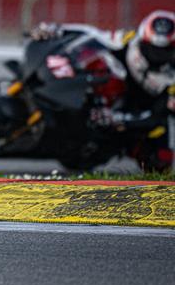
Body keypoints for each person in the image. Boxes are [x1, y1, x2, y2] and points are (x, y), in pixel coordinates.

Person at [30, 10, 175, 171]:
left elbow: (157, 116)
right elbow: (94, 35)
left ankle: (122, 148)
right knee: (98, 63)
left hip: (141, 110)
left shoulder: (171, 78)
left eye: (165, 51)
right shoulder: (129, 40)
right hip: (111, 90)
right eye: (152, 48)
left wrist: (117, 118)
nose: (156, 54)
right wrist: (57, 29)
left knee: (161, 159)